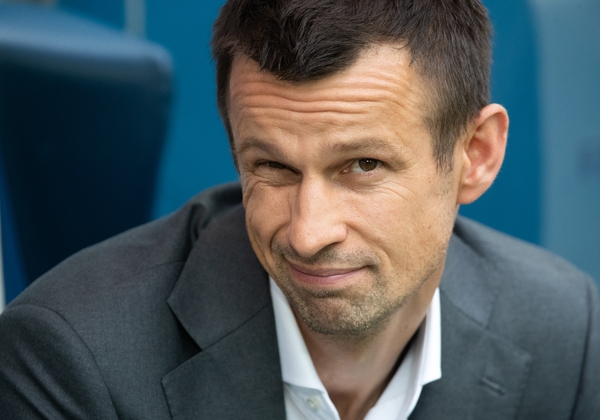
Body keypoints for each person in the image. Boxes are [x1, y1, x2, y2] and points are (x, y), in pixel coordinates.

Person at [0, 0, 598, 418]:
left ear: (476, 155)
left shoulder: (564, 330)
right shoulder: (74, 360)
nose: (308, 234)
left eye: (363, 165)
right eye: (273, 167)